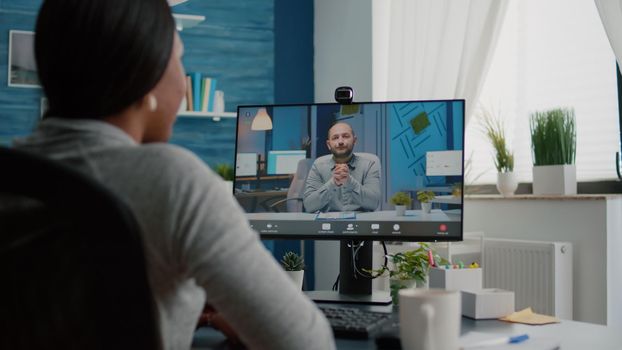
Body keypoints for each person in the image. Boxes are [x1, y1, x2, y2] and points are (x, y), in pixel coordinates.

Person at [14, 1, 334, 349]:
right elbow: (308, 343)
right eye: (179, 59)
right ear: (145, 75)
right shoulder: (173, 181)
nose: (182, 81)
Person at [303, 122, 381, 212]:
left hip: (361, 222)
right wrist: (332, 183)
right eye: (335, 138)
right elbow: (309, 206)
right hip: (328, 224)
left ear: (354, 140)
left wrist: (349, 182)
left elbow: (374, 203)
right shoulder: (318, 166)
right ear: (328, 144)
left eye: (345, 136)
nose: (340, 141)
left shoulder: (370, 164)